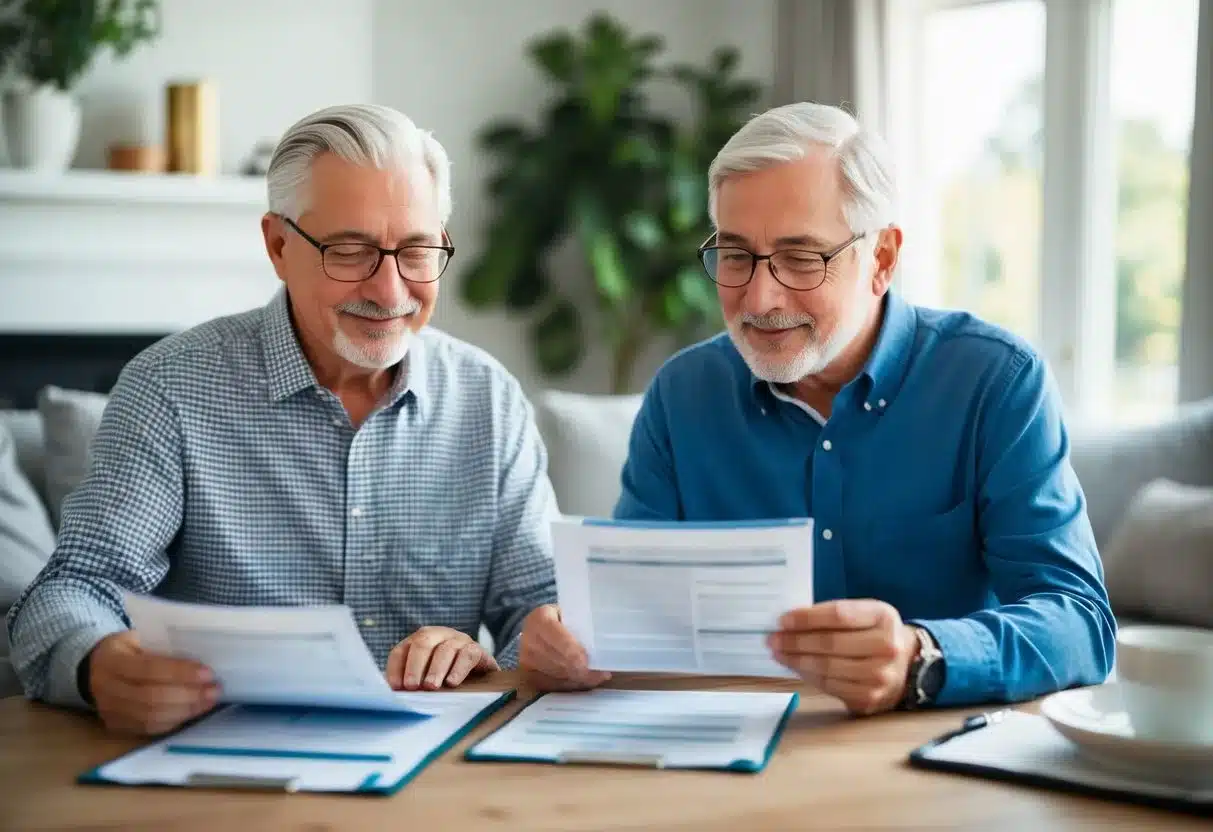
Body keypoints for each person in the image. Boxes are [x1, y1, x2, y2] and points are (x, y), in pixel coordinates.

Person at [519, 101, 1116, 714]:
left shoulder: (994, 382)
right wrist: (568, 639)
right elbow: (625, 608)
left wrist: (924, 655)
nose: (759, 296)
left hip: (934, 750)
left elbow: (1080, 622)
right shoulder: (682, 395)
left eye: (801, 258)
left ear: (881, 258)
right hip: (724, 750)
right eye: (735, 254)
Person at [6, 104, 558, 735]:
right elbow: (71, 590)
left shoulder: (488, 399)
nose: (388, 289)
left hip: (438, 768)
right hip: (230, 765)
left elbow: (545, 607)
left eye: (416, 249)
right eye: (349, 251)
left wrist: (493, 655)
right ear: (277, 245)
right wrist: (99, 665)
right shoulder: (170, 389)